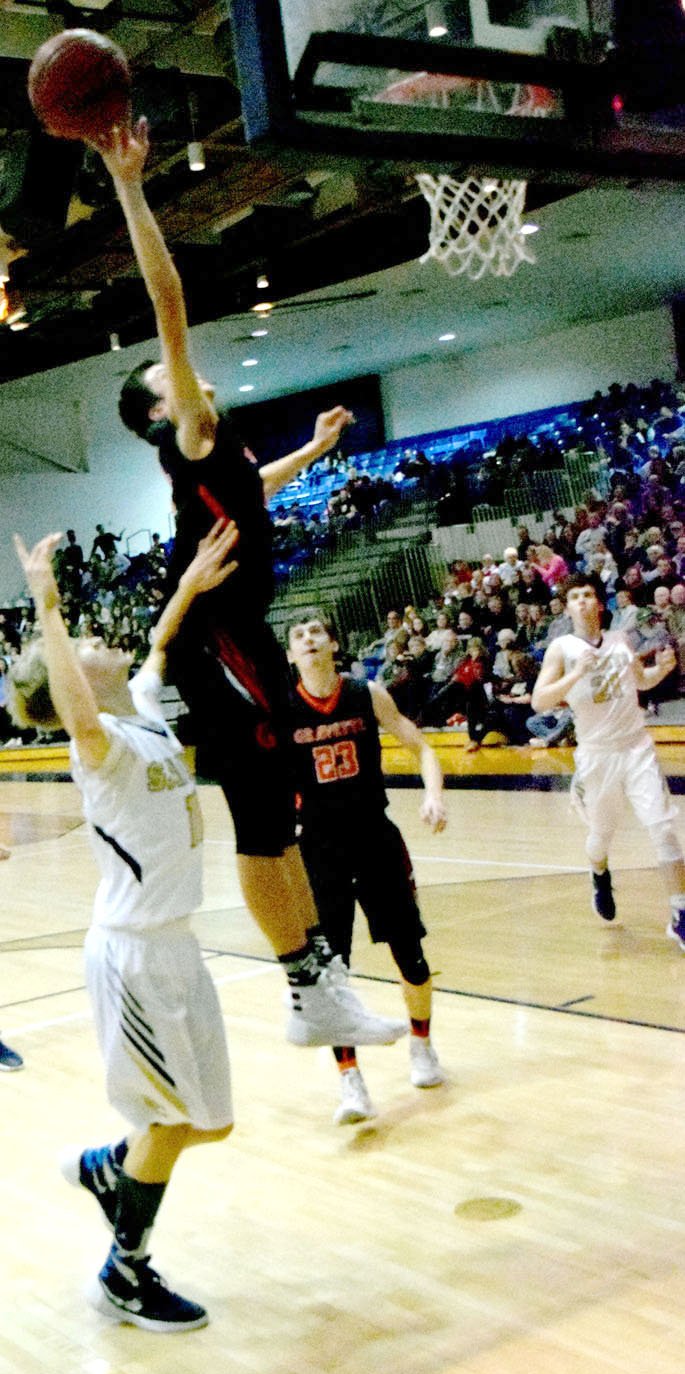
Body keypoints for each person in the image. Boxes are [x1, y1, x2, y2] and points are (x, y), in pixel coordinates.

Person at [93, 120, 405, 1051]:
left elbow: (254, 495)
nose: (186, 374)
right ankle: (308, 989)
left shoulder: (215, 454)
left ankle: (317, 979)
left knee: (287, 811)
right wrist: (132, 188)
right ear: (161, 405)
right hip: (215, 641)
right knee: (265, 820)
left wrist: (311, 449)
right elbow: (169, 308)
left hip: (240, 635)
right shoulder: (184, 428)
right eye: (170, 378)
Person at [8, 521, 244, 1330]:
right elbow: (72, 703)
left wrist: (190, 585)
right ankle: (124, 1274)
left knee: (208, 1121)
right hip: (135, 956)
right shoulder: (98, 743)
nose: (102, 646)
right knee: (171, 1120)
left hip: (176, 946)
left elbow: (155, 642)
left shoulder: (139, 710)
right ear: (71, 674)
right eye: (83, 649)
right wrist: (46, 602)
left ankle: (111, 1169)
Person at [287, 615, 448, 1124]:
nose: (309, 641)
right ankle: (350, 1081)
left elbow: (421, 747)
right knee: (332, 976)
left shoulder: (366, 693)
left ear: (334, 643)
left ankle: (422, 1046)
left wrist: (434, 795)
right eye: (299, 636)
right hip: (318, 850)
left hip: (375, 839)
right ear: (291, 655)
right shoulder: (282, 709)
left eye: (317, 632)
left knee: (411, 953)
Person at [531, 573, 685, 945]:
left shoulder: (620, 640)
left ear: (600, 603)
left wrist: (661, 671)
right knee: (601, 836)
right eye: (575, 597)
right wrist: (576, 675)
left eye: (588, 595)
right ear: (568, 607)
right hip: (597, 757)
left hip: (636, 747)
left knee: (662, 826)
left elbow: (640, 682)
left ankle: (680, 913)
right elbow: (539, 701)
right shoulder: (562, 649)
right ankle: (598, 872)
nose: (582, 601)